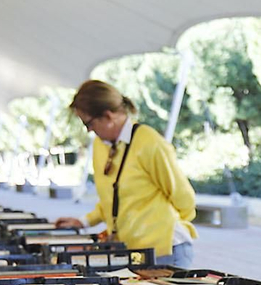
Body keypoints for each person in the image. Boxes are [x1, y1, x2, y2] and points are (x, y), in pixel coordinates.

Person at [53, 81, 197, 267]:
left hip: (166, 250)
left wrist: (160, 228)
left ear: (108, 116)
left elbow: (184, 198)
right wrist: (83, 222)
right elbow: (112, 199)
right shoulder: (100, 145)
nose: (89, 130)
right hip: (132, 252)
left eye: (88, 123)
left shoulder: (149, 142)